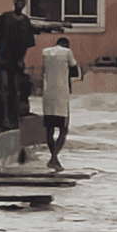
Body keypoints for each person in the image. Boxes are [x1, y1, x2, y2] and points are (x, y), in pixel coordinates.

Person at [0, 0, 36, 130]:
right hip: (2, 59)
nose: (20, 3)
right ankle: (5, 118)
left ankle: (14, 118)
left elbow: (27, 44)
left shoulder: (26, 21)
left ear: (25, 3)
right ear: (13, 1)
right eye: (18, 0)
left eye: (22, 1)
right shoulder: (4, 18)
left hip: (16, 61)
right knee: (4, 87)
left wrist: (21, 59)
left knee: (15, 89)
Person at [42, 37, 77, 172]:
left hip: (48, 94)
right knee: (64, 129)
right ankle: (54, 158)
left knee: (49, 129)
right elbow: (74, 72)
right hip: (62, 94)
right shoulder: (67, 52)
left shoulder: (45, 52)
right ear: (66, 45)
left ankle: (54, 159)